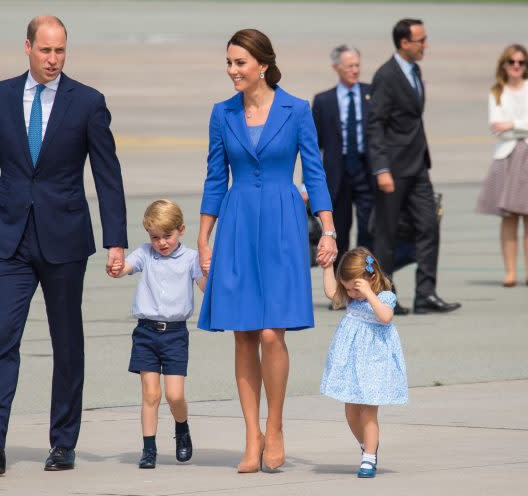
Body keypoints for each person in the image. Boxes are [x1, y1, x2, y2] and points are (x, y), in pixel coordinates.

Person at [0, 16, 128, 474]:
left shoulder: (88, 102)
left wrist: (116, 242)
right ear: (27, 47)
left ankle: (64, 441)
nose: (54, 60)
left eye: (61, 51)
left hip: (65, 241)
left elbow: (107, 176)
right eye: (46, 51)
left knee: (67, 343)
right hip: (9, 239)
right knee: (3, 339)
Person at [197, 28, 337, 473]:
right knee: (243, 333)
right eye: (229, 62)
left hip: (281, 222)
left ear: (262, 64)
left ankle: (274, 426)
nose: (232, 70)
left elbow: (314, 174)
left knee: (273, 333)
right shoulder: (222, 113)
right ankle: (250, 436)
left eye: (239, 63)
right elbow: (215, 178)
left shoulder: (296, 110)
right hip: (237, 224)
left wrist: (328, 231)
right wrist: (203, 238)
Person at [366, 18, 460, 314]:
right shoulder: (386, 75)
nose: (425, 45)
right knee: (386, 234)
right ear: (404, 43)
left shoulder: (415, 70)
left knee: (429, 226)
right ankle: (385, 295)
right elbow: (375, 125)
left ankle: (426, 294)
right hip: (393, 169)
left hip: (418, 166)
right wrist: (381, 169)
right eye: (421, 40)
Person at [110, 200, 206, 469]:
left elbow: (203, 286)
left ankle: (182, 427)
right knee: (150, 395)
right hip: (146, 333)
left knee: (174, 395)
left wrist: (211, 277)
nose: (161, 242)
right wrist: (117, 268)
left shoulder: (190, 259)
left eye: (168, 236)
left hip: (175, 335)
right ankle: (149, 448)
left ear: (181, 230)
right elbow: (126, 268)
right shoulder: (145, 254)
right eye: (155, 237)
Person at [319, 247, 408, 479]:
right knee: (350, 411)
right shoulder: (350, 297)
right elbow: (331, 293)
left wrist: (368, 293)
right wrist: (327, 266)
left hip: (375, 361)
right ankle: (368, 445)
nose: (351, 293)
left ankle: (368, 456)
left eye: (353, 287)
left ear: (371, 277)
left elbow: (385, 317)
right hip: (352, 361)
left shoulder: (385, 296)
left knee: (368, 411)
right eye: (347, 288)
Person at [312, 45, 374, 272]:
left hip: (366, 173)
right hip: (337, 176)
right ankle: (341, 286)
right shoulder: (323, 101)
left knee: (369, 231)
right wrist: (306, 183)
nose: (355, 70)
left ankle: (367, 282)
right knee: (340, 231)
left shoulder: (372, 93)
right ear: (336, 68)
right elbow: (313, 147)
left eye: (357, 65)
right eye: (350, 66)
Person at [476, 44, 528, 287]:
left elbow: (505, 125)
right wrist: (515, 125)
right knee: (509, 217)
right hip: (507, 156)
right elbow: (495, 125)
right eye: (512, 62)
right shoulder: (497, 91)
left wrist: (512, 124)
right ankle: (510, 272)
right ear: (504, 65)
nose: (516, 66)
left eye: (521, 62)